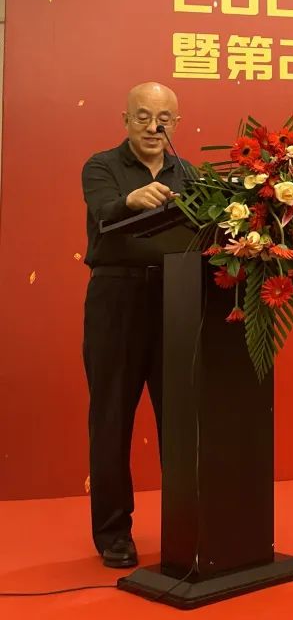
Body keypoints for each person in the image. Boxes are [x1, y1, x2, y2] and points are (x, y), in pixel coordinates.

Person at [81, 82, 190, 568]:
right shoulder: (102, 166)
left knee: (181, 422)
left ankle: (187, 526)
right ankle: (113, 533)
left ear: (176, 124)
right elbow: (103, 211)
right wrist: (131, 200)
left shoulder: (188, 172)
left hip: (177, 300)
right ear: (125, 119)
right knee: (111, 419)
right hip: (116, 301)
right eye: (143, 116)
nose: (153, 127)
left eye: (163, 119)